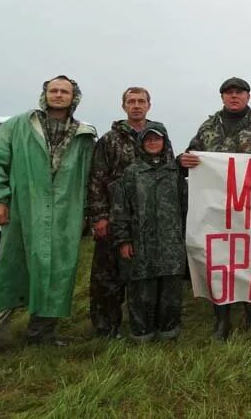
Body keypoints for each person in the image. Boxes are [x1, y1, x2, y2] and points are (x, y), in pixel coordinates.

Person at [0, 76, 97, 353]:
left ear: (74, 97)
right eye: (53, 90)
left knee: (58, 274)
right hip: (25, 210)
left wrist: (88, 214)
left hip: (64, 215)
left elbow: (92, 176)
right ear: (45, 95)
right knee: (11, 273)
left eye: (64, 91)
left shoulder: (83, 134)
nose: (58, 95)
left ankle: (41, 333)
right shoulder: (19, 125)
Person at [178, 77, 251, 341]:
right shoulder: (209, 126)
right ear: (222, 97)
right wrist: (183, 159)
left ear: (248, 96)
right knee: (219, 261)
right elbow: (192, 153)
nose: (234, 97)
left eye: (239, 92)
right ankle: (221, 321)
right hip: (216, 208)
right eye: (229, 93)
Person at [86, 86, 173, 339]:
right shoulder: (109, 139)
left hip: (149, 218)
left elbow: (167, 173)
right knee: (107, 275)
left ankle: (145, 323)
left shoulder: (159, 136)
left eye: (141, 101)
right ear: (123, 106)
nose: (136, 105)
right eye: (131, 101)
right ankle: (106, 327)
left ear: (149, 105)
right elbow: (96, 179)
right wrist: (100, 217)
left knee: (143, 272)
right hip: (115, 215)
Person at [111, 124, 185, 342]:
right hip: (141, 242)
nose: (153, 143)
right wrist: (123, 239)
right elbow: (120, 209)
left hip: (171, 242)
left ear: (165, 142)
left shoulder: (175, 172)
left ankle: (169, 332)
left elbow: (187, 206)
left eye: (157, 139)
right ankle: (142, 334)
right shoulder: (131, 173)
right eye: (148, 139)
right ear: (142, 143)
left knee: (170, 291)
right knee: (142, 291)